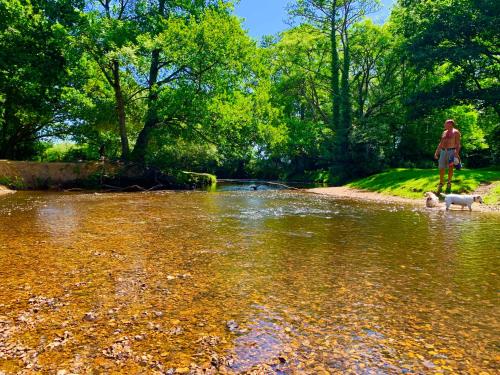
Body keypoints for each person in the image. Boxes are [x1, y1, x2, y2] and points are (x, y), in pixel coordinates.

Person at [434, 119, 461, 192]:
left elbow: (458, 144)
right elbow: (441, 143)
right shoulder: (444, 132)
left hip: (451, 151)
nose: (444, 125)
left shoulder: (456, 132)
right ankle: (441, 182)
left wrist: (456, 153)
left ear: (450, 124)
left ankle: (449, 182)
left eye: (446, 124)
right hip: (443, 151)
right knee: (441, 167)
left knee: (451, 167)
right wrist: (437, 152)